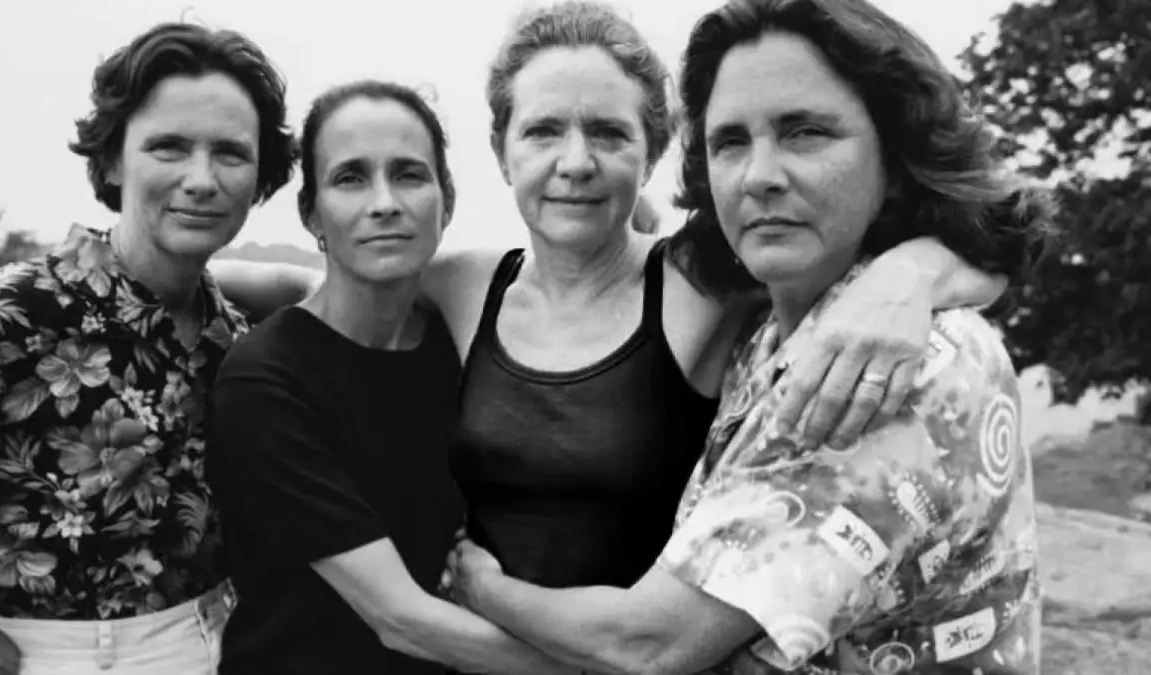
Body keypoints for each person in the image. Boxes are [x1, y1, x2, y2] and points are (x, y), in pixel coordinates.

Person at [210, 0, 1007, 604]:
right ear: (501, 151)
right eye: (543, 131)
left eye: (609, 134)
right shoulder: (465, 284)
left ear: (653, 150)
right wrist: (201, 287)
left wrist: (911, 277)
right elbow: (322, 291)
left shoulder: (709, 275)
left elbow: (995, 238)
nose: (576, 162)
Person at [447, 1, 1048, 674]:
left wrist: (477, 586)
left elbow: (651, 645)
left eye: (805, 132)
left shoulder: (895, 369)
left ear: (895, 152)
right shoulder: (768, 325)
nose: (760, 175)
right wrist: (917, 269)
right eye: (731, 141)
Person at [0, 22, 294, 675]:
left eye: (230, 153)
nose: (201, 179)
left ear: (261, 177)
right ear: (112, 160)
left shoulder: (241, 339)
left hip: (224, 642)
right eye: (169, 147)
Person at [206, 80, 573, 675]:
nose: (384, 203)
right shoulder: (266, 379)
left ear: (446, 201)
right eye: (350, 178)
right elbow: (400, 619)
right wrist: (602, 666)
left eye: (408, 175)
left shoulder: (460, 346)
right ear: (311, 212)